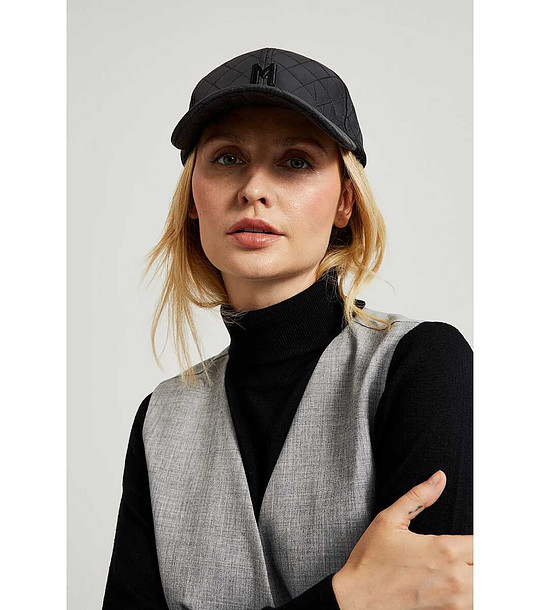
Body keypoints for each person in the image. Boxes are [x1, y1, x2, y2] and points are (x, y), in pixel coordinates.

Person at [102, 47, 473, 609]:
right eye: (227, 157)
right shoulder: (160, 420)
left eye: (296, 161)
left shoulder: (424, 366)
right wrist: (347, 597)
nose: (253, 188)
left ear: (345, 202)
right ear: (194, 198)